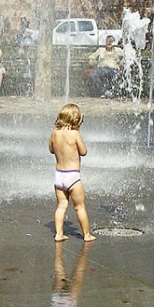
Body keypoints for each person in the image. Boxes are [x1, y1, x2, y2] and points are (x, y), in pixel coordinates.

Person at [49, 103, 95, 242]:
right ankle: (86, 235)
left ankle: (58, 234)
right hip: (73, 177)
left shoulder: (54, 133)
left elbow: (51, 150)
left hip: (59, 176)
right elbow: (83, 152)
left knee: (61, 206)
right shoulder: (75, 134)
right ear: (75, 120)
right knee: (79, 207)